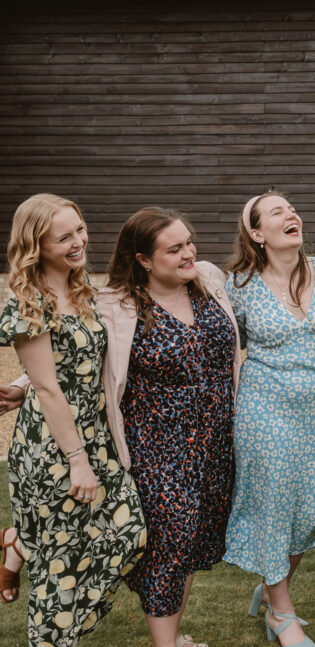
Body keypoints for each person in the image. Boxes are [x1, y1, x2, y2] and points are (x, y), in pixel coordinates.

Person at [0, 193, 147, 646]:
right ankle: (52, 635)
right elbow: (49, 387)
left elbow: (67, 361)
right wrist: (78, 461)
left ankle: (18, 545)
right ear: (36, 245)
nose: (78, 242)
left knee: (130, 533)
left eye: (79, 230)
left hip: (94, 436)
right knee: (59, 564)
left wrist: (21, 384)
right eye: (63, 237)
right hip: (54, 448)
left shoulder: (81, 289)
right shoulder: (29, 301)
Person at [103, 207, 240, 647]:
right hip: (158, 445)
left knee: (193, 540)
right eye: (175, 248)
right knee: (171, 541)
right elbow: (74, 353)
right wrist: (22, 382)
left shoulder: (208, 280)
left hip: (216, 441)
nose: (189, 253)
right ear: (143, 259)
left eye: (189, 242)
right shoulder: (118, 305)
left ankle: (174, 636)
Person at [224, 191, 315, 647]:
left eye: (292, 207)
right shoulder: (239, 286)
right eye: (277, 212)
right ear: (257, 233)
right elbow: (218, 342)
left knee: (309, 507)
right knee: (273, 505)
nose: (291, 213)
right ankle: (281, 613)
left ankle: (271, 587)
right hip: (263, 408)